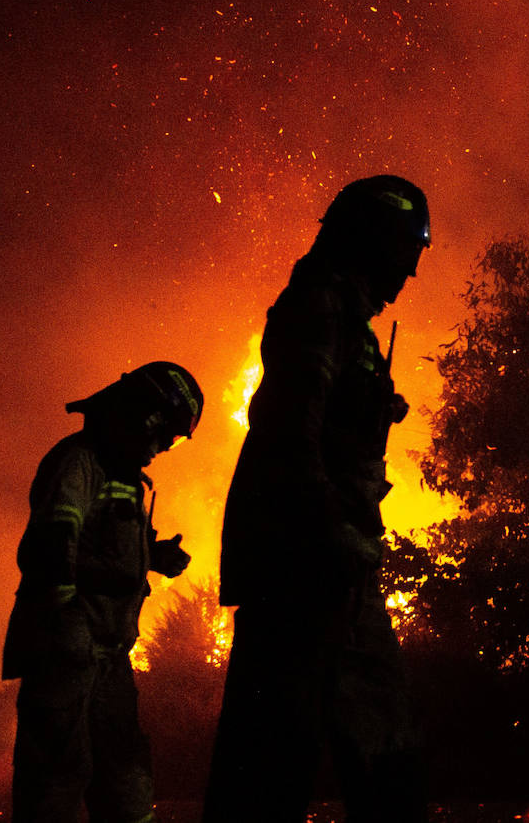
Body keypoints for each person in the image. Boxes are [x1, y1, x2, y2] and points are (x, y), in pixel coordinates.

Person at [205, 176, 431, 822]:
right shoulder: (320, 305)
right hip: (305, 563)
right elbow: (287, 430)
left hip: (332, 563)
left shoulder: (340, 316)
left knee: (375, 739)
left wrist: (371, 409)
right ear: (372, 240)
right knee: (276, 747)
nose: (411, 272)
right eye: (406, 250)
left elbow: (316, 416)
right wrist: (332, 529)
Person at [3, 361, 202, 823]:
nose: (162, 449)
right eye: (165, 435)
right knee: (54, 786)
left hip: (109, 658)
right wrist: (68, 631)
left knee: (127, 783)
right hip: (65, 657)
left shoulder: (123, 475)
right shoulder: (78, 462)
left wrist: (153, 554)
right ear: (143, 414)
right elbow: (51, 545)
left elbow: (100, 545)